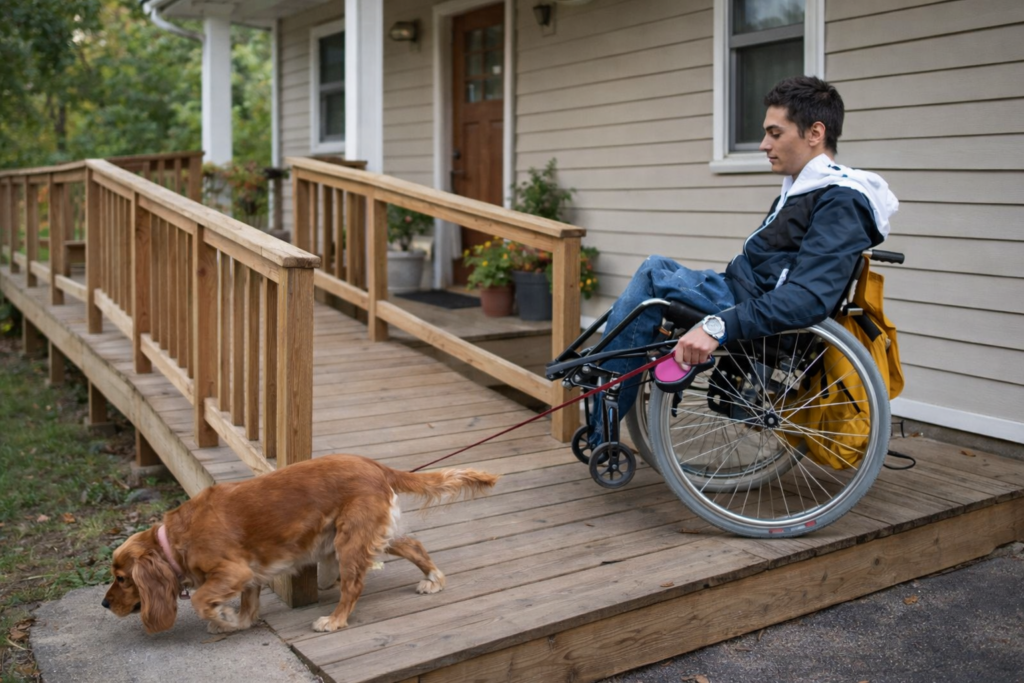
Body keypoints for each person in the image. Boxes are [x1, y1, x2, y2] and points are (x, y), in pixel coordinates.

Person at [588, 75, 899, 447]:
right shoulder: (807, 189)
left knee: (655, 276)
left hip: (756, 310)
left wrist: (717, 327)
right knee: (658, 270)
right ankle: (600, 381)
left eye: (775, 133)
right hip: (744, 292)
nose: (764, 145)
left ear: (815, 132)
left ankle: (600, 418)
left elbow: (809, 299)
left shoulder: (840, 200)